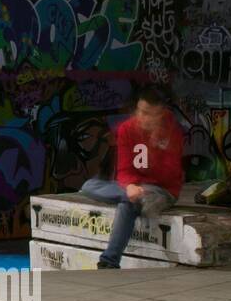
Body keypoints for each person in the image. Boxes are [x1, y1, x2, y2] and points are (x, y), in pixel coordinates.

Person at [79, 86, 184, 269]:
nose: (144, 118)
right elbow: (125, 168)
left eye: (151, 114)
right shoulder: (127, 129)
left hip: (162, 189)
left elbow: (173, 173)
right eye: (142, 112)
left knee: (129, 203)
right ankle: (142, 200)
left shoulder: (171, 129)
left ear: (161, 113)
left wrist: (154, 149)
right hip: (136, 188)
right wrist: (129, 186)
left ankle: (109, 262)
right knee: (89, 185)